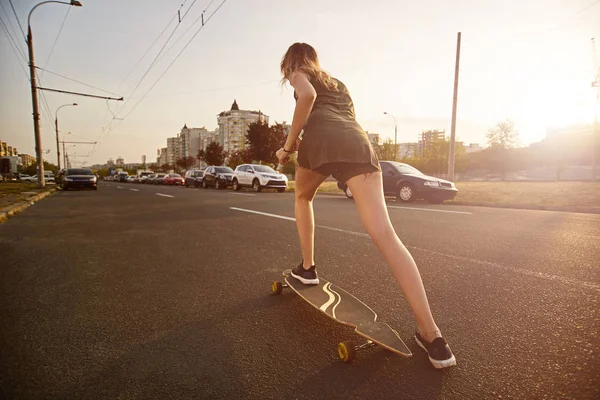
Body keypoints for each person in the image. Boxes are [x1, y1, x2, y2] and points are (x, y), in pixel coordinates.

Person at [275, 42, 456, 369]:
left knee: (302, 196)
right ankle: (433, 337)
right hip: (358, 143)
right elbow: (335, 116)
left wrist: (288, 147)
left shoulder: (299, 74)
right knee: (387, 236)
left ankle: (308, 268)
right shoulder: (337, 83)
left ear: (291, 64)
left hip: (322, 145)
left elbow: (307, 98)